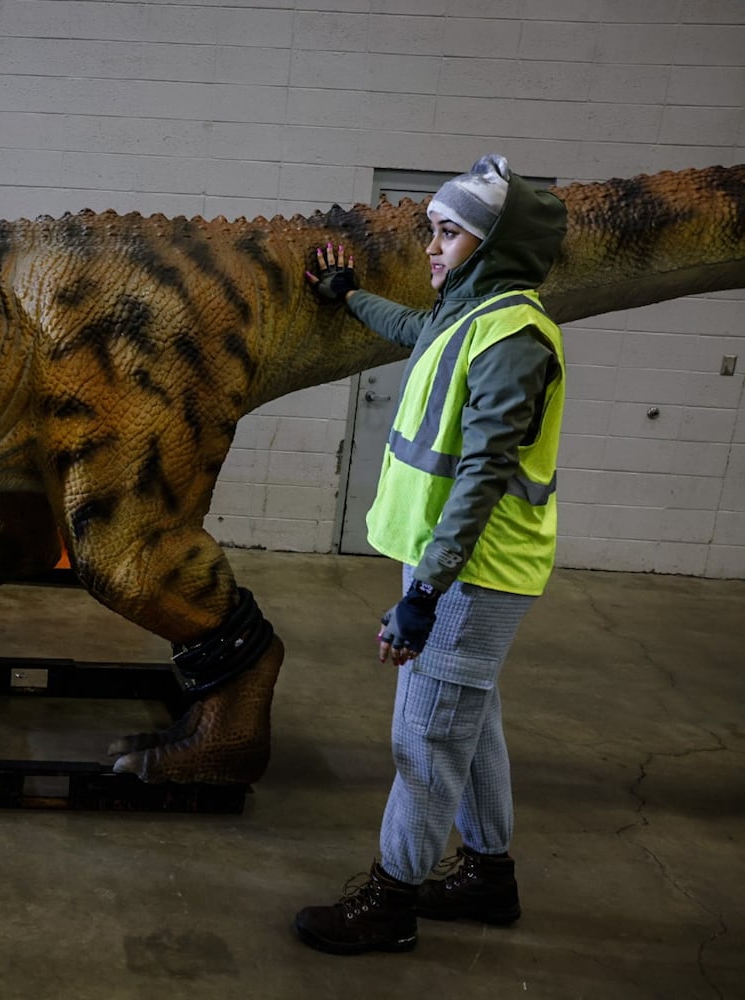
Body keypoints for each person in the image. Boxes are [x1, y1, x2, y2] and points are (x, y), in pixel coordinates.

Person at [295, 154, 569, 955]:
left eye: (449, 233)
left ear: (495, 244)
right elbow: (415, 330)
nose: (431, 247)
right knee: (468, 721)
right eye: (433, 231)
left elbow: (482, 477)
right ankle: (489, 877)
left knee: (425, 739)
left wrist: (425, 597)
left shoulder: (515, 336)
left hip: (473, 571)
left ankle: (391, 901)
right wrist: (350, 299)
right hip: (452, 564)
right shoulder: (469, 315)